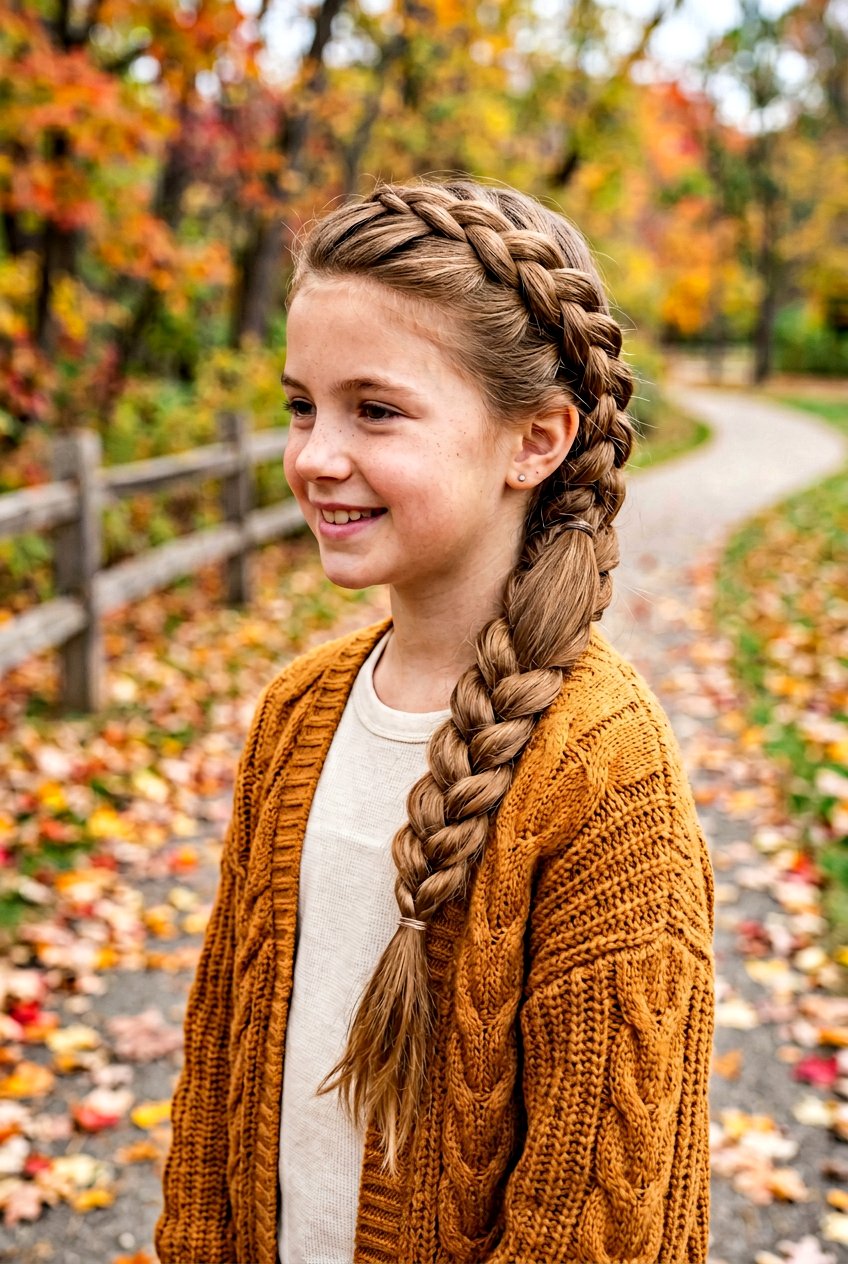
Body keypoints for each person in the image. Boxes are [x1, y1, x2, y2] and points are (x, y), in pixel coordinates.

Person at [154, 177, 715, 1264]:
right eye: (301, 406)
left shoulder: (604, 772)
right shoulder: (296, 717)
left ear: (534, 441)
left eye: (374, 409)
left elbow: (596, 1222)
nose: (315, 455)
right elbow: (220, 1082)